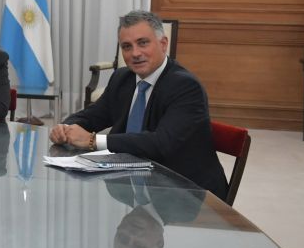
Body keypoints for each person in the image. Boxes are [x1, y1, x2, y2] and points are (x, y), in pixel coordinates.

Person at [49, 10, 227, 199]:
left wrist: (93, 140)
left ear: (163, 44)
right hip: (133, 183)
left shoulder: (185, 86)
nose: (135, 53)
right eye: (127, 46)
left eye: (143, 43)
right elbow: (93, 115)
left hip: (186, 194)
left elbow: (161, 143)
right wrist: (66, 128)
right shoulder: (122, 78)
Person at [105, 172, 206, 248]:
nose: (132, 235)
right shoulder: (184, 209)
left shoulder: (115, 189)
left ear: (118, 228)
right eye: (139, 245)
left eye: (123, 238)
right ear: (159, 242)